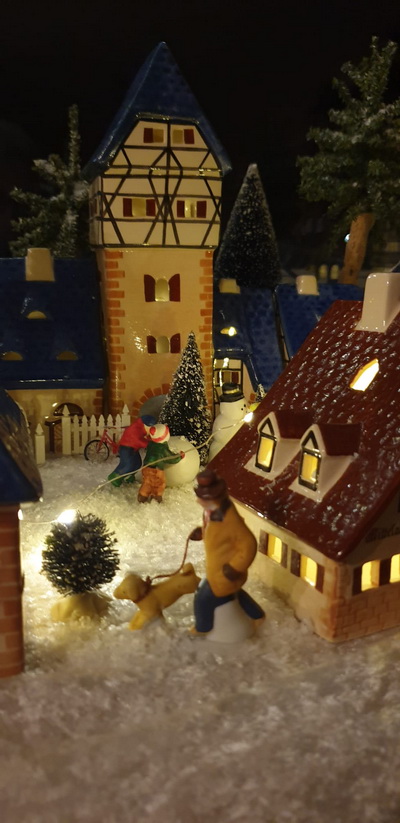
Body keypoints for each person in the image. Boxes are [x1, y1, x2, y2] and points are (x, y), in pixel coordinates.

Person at [189, 468, 265, 634]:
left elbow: (249, 544)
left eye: (203, 498)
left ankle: (202, 628)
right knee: (233, 593)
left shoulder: (230, 519)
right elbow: (219, 535)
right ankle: (257, 615)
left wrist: (234, 568)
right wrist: (202, 532)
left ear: (215, 498)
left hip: (224, 571)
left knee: (203, 598)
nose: (198, 501)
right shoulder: (212, 512)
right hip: (218, 567)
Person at [138, 423, 184, 503]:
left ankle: (143, 495)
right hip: (157, 470)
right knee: (159, 484)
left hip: (146, 467)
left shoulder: (151, 443)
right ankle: (156, 497)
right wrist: (179, 456)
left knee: (147, 482)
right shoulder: (162, 448)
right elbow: (171, 458)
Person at [108, 415, 155, 487]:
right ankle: (115, 477)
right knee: (128, 464)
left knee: (137, 463)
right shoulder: (135, 429)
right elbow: (138, 440)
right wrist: (148, 444)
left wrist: (150, 440)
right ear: (145, 425)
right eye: (150, 427)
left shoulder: (142, 428)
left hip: (133, 448)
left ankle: (129, 476)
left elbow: (144, 438)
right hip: (125, 448)